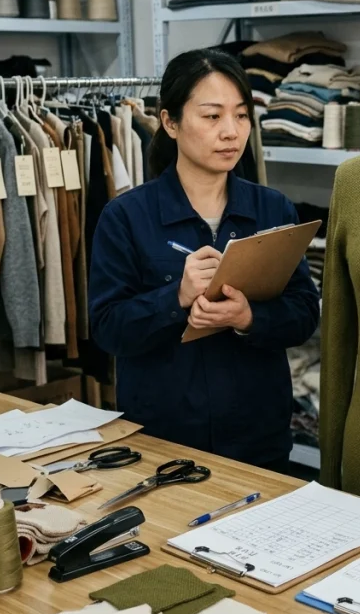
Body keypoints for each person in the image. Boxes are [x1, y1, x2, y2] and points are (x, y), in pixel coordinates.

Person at [89, 49, 319, 473]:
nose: (231, 132)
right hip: (162, 441)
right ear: (170, 122)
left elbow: (305, 313)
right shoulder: (126, 217)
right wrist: (175, 296)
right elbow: (107, 329)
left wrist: (248, 316)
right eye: (212, 117)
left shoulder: (273, 209)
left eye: (242, 116)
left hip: (260, 438)